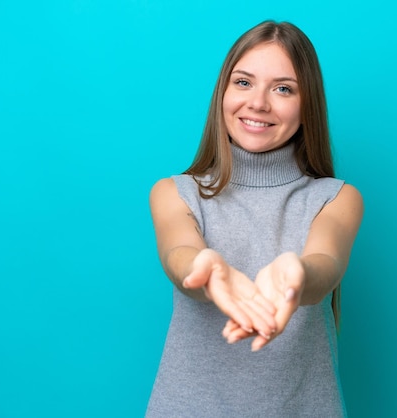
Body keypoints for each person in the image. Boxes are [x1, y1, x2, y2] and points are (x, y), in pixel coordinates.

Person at [145, 20, 363, 417]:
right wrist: (205, 271)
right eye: (243, 82)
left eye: (283, 88)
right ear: (223, 92)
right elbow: (179, 251)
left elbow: (325, 265)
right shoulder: (175, 192)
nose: (259, 103)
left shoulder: (336, 198)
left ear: (307, 103)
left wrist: (297, 276)